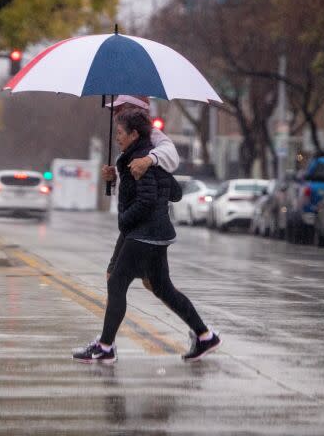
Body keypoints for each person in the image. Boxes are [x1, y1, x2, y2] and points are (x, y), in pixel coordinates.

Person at [72, 108, 220, 364]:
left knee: (117, 282)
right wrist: (117, 177)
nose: (117, 137)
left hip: (144, 233)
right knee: (163, 288)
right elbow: (173, 191)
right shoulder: (141, 157)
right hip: (156, 233)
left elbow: (147, 199)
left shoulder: (140, 158)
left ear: (134, 134)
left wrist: (124, 219)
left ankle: (106, 346)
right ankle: (204, 335)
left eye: (120, 132)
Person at [101, 95, 180, 292]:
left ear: (132, 109)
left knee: (122, 278)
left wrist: (149, 160)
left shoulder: (152, 134)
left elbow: (171, 155)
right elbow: (129, 186)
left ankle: (191, 319)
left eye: (119, 109)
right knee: (144, 282)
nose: (115, 114)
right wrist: (113, 180)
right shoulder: (127, 139)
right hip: (136, 222)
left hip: (145, 223)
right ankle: (190, 319)